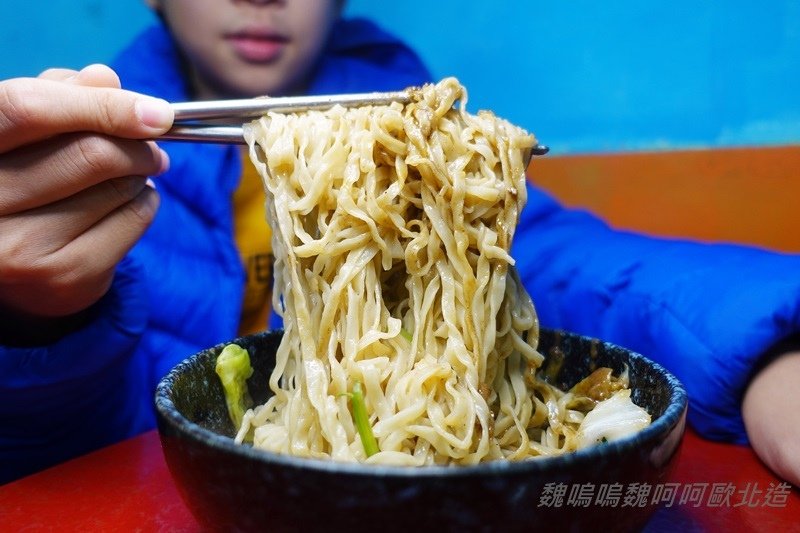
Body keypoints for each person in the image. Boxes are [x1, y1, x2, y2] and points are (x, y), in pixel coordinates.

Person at [0, 0, 798, 487]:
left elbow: (574, 264)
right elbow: (71, 444)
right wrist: (36, 320)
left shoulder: (426, 138)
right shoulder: (105, 173)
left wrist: (764, 347)